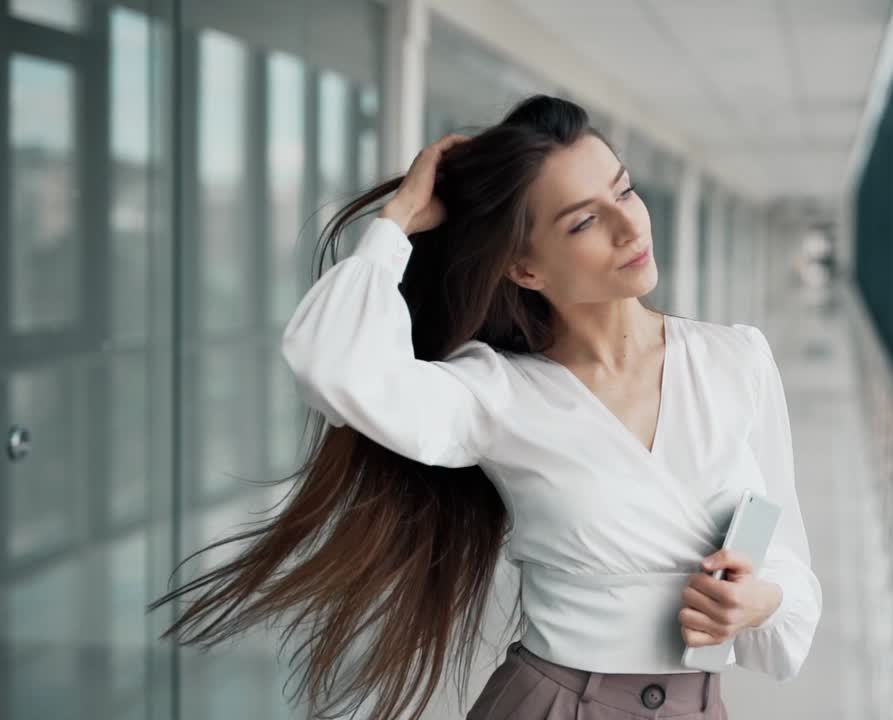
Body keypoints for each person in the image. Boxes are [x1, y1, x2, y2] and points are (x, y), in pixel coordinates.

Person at [149, 94, 821, 720]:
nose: (629, 226)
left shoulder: (738, 360)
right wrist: (398, 220)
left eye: (623, 190)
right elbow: (332, 365)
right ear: (526, 269)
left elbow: (786, 555)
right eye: (585, 220)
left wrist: (761, 600)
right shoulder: (498, 395)